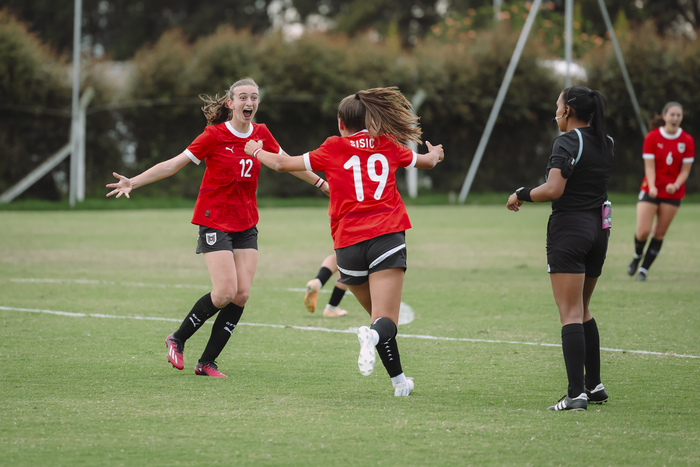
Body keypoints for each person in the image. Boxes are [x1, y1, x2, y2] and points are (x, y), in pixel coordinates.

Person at [106, 77, 330, 377]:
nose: (249, 102)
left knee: (241, 295)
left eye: (254, 97)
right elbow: (173, 165)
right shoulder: (213, 136)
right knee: (225, 291)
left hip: (246, 223)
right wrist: (133, 180)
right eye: (242, 97)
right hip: (214, 219)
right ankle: (178, 338)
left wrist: (322, 183)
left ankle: (206, 362)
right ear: (230, 103)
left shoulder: (262, 133)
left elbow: (285, 162)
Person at [244, 87, 444, 396]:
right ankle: (374, 344)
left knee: (378, 321)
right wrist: (435, 153)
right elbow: (427, 162)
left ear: (341, 122)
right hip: (386, 236)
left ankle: (400, 383)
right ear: (371, 119)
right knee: (383, 322)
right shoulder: (387, 144)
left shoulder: (333, 147)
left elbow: (283, 164)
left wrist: (255, 151)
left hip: (347, 245)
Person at [506, 85, 614, 411]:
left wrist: (521, 193)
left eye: (557, 106)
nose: (555, 112)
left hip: (571, 229)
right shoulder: (606, 141)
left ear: (567, 111)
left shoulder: (567, 140)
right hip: (600, 228)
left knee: (570, 313)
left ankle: (575, 394)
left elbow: (554, 189)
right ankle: (594, 386)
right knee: (583, 308)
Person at [627, 102, 695, 282]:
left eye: (678, 115)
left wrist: (676, 184)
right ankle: (637, 255)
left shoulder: (687, 140)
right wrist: (652, 186)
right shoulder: (652, 137)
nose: (675, 118)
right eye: (672, 114)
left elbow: (685, 171)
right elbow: (649, 168)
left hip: (673, 194)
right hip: (651, 190)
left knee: (659, 233)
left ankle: (643, 270)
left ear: (681, 118)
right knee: (643, 232)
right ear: (664, 116)